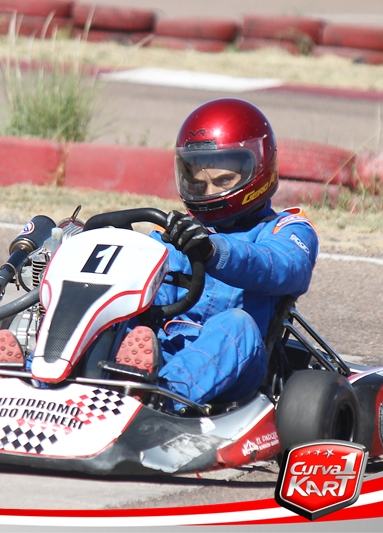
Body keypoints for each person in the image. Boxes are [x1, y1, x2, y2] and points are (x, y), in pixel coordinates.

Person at [114, 97, 319, 411]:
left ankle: (161, 399)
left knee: (237, 323)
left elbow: (282, 266)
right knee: (119, 307)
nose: (209, 193)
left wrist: (213, 250)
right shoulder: (177, 231)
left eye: (222, 181)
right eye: (199, 184)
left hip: (237, 360)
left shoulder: (287, 229)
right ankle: (50, 376)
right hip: (162, 349)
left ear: (259, 169)